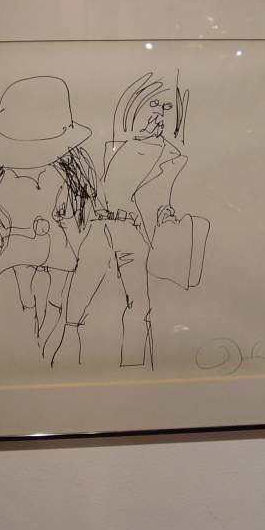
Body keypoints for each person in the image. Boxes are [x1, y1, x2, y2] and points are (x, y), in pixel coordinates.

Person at [49, 72, 192, 369]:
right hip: (100, 228)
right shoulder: (112, 146)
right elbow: (101, 186)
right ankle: (64, 367)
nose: (159, 114)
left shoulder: (174, 157)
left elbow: (165, 196)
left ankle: (135, 369)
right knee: (76, 303)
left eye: (168, 108)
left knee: (139, 306)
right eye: (153, 103)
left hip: (133, 232)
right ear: (135, 105)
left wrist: (167, 214)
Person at [0, 76, 97, 360]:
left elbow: (70, 211)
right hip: (18, 242)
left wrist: (68, 225)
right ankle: (31, 348)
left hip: (56, 241)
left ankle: (47, 349)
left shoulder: (61, 172)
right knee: (26, 301)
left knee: (56, 300)